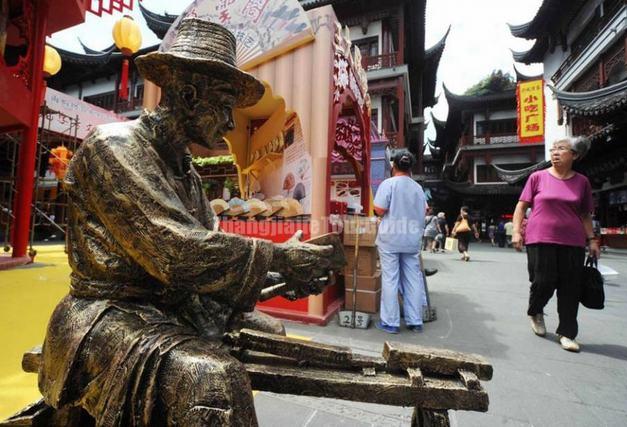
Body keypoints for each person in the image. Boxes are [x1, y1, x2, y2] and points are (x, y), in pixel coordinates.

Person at [37, 19, 340, 426]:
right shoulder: (114, 148)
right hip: (106, 313)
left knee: (273, 336)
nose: (231, 125)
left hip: (173, 305)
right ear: (189, 94)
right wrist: (280, 257)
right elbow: (177, 252)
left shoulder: (188, 173)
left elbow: (207, 262)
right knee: (213, 379)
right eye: (224, 107)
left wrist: (282, 278)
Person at [512, 136, 600, 353]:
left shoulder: (582, 182)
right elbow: (521, 207)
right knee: (543, 281)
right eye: (553, 149)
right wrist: (516, 231)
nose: (555, 153)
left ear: (575, 155)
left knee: (571, 287)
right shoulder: (537, 177)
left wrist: (592, 240)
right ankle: (536, 311)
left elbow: (585, 214)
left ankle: (567, 332)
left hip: (573, 241)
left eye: (561, 149)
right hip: (540, 238)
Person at [374, 149, 427, 334]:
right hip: (412, 240)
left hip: (390, 239)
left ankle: (390, 322)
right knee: (413, 279)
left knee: (390, 278)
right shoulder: (418, 188)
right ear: (410, 167)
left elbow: (379, 209)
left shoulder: (388, 184)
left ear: (393, 165)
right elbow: (425, 210)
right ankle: (415, 321)